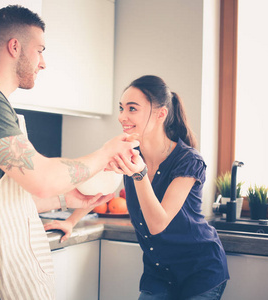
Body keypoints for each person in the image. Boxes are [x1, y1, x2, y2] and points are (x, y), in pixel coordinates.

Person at [0, 5, 138, 300]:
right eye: (40, 50)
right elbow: (41, 177)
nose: (43, 63)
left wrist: (66, 199)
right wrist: (104, 154)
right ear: (15, 47)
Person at [45, 75, 229, 300]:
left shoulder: (188, 161)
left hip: (200, 272)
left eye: (132, 109)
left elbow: (157, 223)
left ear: (161, 114)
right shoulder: (127, 151)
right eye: (121, 108)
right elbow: (102, 190)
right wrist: (71, 221)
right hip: (158, 273)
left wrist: (139, 174)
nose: (122, 117)